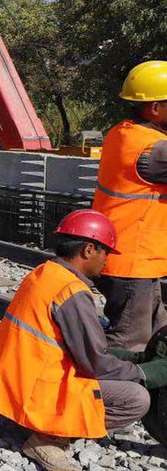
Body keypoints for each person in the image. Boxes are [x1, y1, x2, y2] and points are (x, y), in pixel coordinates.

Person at [0, 209, 167, 471]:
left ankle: (34, 423)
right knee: (135, 397)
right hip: (37, 396)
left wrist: (129, 359)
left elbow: (78, 346)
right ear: (89, 250)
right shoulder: (72, 292)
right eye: (105, 253)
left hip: (11, 387)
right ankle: (48, 437)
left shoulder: (44, 273)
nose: (106, 262)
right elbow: (95, 363)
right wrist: (143, 372)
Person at [91, 61, 167, 351]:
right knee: (130, 342)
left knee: (158, 331)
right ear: (155, 108)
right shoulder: (155, 150)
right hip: (131, 261)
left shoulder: (122, 134)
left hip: (129, 258)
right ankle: (100, 390)